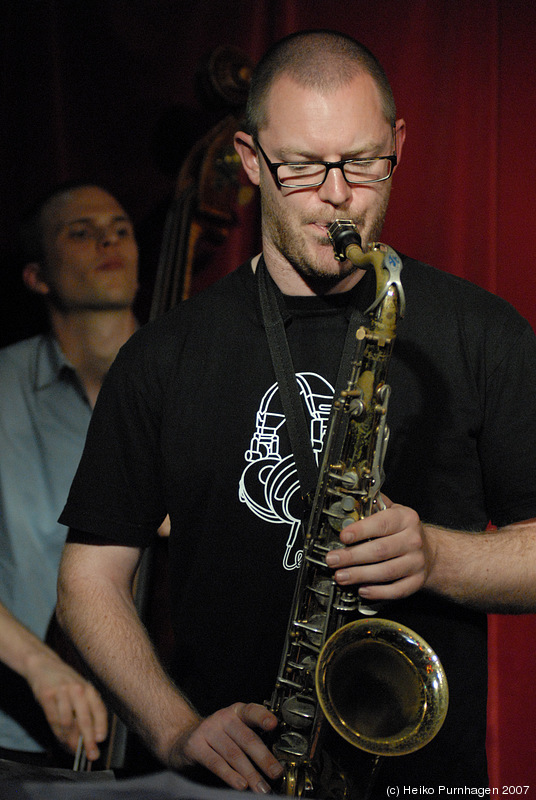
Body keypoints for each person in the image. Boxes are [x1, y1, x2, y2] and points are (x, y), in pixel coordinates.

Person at [56, 30, 536, 797]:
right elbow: (88, 582)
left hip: (426, 778)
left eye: (363, 162)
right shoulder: (163, 355)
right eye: (303, 167)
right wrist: (175, 728)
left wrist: (440, 557)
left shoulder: (485, 333)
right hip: (235, 779)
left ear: (398, 145)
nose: (338, 194)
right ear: (250, 160)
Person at [0, 182, 139, 765]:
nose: (109, 239)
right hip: (22, 735)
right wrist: (39, 663)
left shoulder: (194, 380)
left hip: (190, 733)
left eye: (121, 228)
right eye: (80, 232)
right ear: (38, 276)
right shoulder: (4, 386)